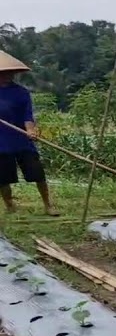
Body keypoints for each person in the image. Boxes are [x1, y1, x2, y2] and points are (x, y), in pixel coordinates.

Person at [0, 51, 57, 215]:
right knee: (3, 178)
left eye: (10, 73)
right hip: (1, 142)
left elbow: (27, 115)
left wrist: (30, 130)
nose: (7, 76)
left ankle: (48, 205)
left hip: (22, 140)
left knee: (37, 173)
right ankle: (10, 205)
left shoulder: (21, 92)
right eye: (4, 73)